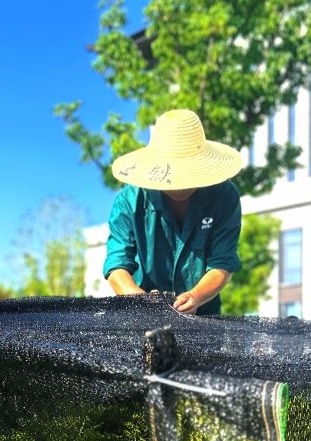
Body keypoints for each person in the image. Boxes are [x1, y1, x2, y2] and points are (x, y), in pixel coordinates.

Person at [103, 109, 243, 315]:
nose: (180, 185)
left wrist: (195, 297)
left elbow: (222, 263)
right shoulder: (129, 201)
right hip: (139, 320)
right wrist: (140, 302)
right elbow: (117, 265)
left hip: (204, 318)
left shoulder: (224, 196)